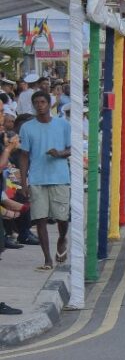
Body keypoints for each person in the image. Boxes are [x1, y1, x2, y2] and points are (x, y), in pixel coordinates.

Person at [16, 89, 72, 271]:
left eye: (43, 102)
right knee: (40, 219)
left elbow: (71, 149)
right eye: (36, 103)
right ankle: (47, 258)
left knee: (62, 218)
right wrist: (24, 183)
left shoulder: (63, 125)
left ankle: (62, 239)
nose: (40, 106)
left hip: (60, 178)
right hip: (37, 179)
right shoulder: (27, 128)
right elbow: (24, 156)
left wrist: (59, 153)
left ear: (49, 104)